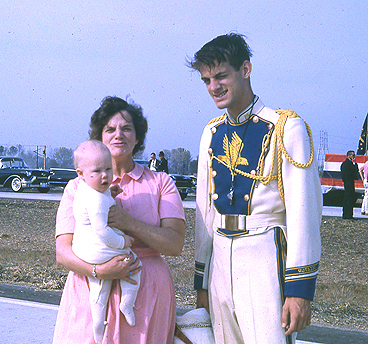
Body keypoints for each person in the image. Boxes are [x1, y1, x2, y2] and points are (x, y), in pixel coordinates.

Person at [188, 33, 322, 343]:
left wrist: (299, 290)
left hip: (265, 259)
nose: (213, 87)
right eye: (206, 79)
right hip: (220, 261)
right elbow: (205, 215)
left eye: (221, 76)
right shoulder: (211, 132)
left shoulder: (286, 127)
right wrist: (202, 284)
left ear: (246, 69)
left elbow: (304, 213)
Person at [53, 96, 186, 344]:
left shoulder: (161, 183)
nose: (118, 135)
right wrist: (99, 271)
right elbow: (63, 252)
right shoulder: (76, 188)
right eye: (110, 129)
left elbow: (175, 244)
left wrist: (128, 222)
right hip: (89, 289)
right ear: (99, 137)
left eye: (127, 129)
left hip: (146, 296)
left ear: (138, 137)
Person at [72, 140, 141, 343]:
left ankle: (98, 325)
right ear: (81, 173)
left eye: (108, 169)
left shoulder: (86, 190)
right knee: (135, 263)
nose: (105, 175)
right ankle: (127, 303)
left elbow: (94, 206)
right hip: (99, 249)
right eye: (97, 171)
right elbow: (102, 231)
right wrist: (124, 242)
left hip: (84, 249)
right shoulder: (97, 199)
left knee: (99, 288)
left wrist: (109, 193)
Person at [341, 150, 359, 219]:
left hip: (348, 182)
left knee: (348, 198)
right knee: (349, 198)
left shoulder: (347, 163)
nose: (354, 157)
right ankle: (348, 215)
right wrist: (354, 163)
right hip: (348, 182)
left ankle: (346, 214)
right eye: (353, 155)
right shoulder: (347, 163)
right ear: (349, 155)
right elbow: (354, 171)